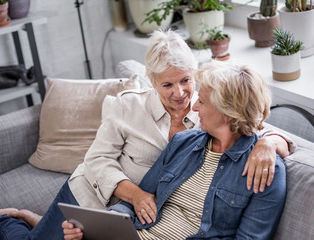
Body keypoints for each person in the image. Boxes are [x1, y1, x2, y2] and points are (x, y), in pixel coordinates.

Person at [0, 30, 293, 240]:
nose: (183, 96)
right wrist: (135, 197)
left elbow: (249, 117)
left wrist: (270, 142)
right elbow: (97, 161)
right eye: (167, 85)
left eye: (187, 82)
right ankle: (15, 220)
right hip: (94, 196)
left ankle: (33, 221)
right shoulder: (131, 107)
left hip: (131, 221)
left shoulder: (207, 117)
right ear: (152, 81)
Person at [63, 60, 287, 240]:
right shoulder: (183, 142)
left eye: (204, 102)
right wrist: (104, 227)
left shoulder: (266, 170)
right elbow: (136, 203)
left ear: (227, 112)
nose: (195, 106)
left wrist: (269, 141)